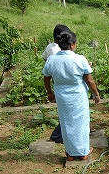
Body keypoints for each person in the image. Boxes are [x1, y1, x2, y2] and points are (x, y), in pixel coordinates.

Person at [43, 30, 100, 161]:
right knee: (81, 123)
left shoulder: (52, 59)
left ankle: (70, 153)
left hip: (62, 96)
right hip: (78, 95)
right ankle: (83, 152)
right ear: (73, 45)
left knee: (66, 123)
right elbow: (89, 80)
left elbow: (46, 79)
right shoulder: (79, 59)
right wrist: (96, 94)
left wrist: (50, 93)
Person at [42, 24, 70, 144]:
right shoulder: (55, 49)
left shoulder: (50, 47)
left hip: (58, 80)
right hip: (62, 81)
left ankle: (62, 133)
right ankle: (57, 135)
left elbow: (45, 58)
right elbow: (57, 64)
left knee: (65, 109)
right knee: (67, 110)